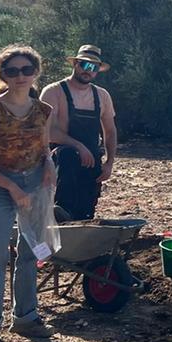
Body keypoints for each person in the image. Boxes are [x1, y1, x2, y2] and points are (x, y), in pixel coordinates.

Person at [0, 45, 57, 342]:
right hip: (2, 187)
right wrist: (12, 187)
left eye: (26, 70)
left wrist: (48, 166)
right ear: (3, 75)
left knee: (31, 252)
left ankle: (26, 317)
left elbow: (44, 147)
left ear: (36, 73)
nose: (20, 76)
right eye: (12, 71)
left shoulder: (44, 110)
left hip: (36, 185)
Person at [40, 45, 117, 221]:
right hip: (60, 158)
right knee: (68, 156)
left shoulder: (102, 96)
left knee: (86, 207)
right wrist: (77, 145)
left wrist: (110, 162)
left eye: (93, 67)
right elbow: (45, 130)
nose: (88, 71)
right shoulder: (54, 92)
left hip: (91, 159)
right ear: (75, 64)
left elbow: (110, 131)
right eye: (84, 65)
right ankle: (60, 214)